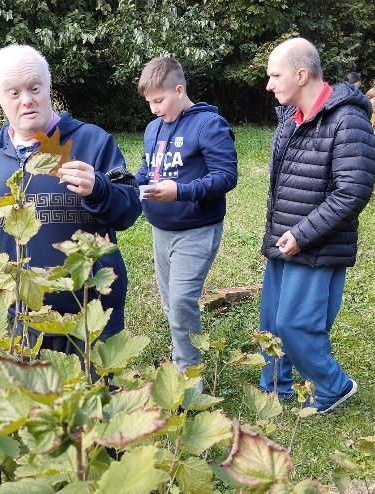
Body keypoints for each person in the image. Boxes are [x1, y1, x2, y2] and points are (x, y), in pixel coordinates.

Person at [0, 44, 141, 353]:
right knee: (36, 398)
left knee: (95, 398)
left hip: (89, 310)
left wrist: (99, 188)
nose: (27, 100)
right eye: (13, 93)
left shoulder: (91, 141)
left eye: (34, 88)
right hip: (24, 312)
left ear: (48, 85)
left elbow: (128, 211)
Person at [259, 38, 375, 413]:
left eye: (275, 75)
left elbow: (352, 192)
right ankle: (276, 389)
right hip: (283, 238)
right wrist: (282, 234)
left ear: (301, 73)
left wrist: (302, 235)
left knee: (297, 326)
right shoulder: (290, 119)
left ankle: (332, 387)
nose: (269, 84)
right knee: (271, 324)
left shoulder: (347, 119)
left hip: (316, 246)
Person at [135, 57, 238, 375]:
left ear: (179, 90)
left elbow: (226, 176)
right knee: (171, 304)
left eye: (159, 100)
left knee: (180, 302)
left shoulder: (209, 124)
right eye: (149, 102)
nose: (154, 109)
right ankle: (184, 355)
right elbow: (145, 173)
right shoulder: (153, 128)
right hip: (160, 229)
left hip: (196, 228)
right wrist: (125, 183)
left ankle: (188, 376)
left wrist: (180, 191)